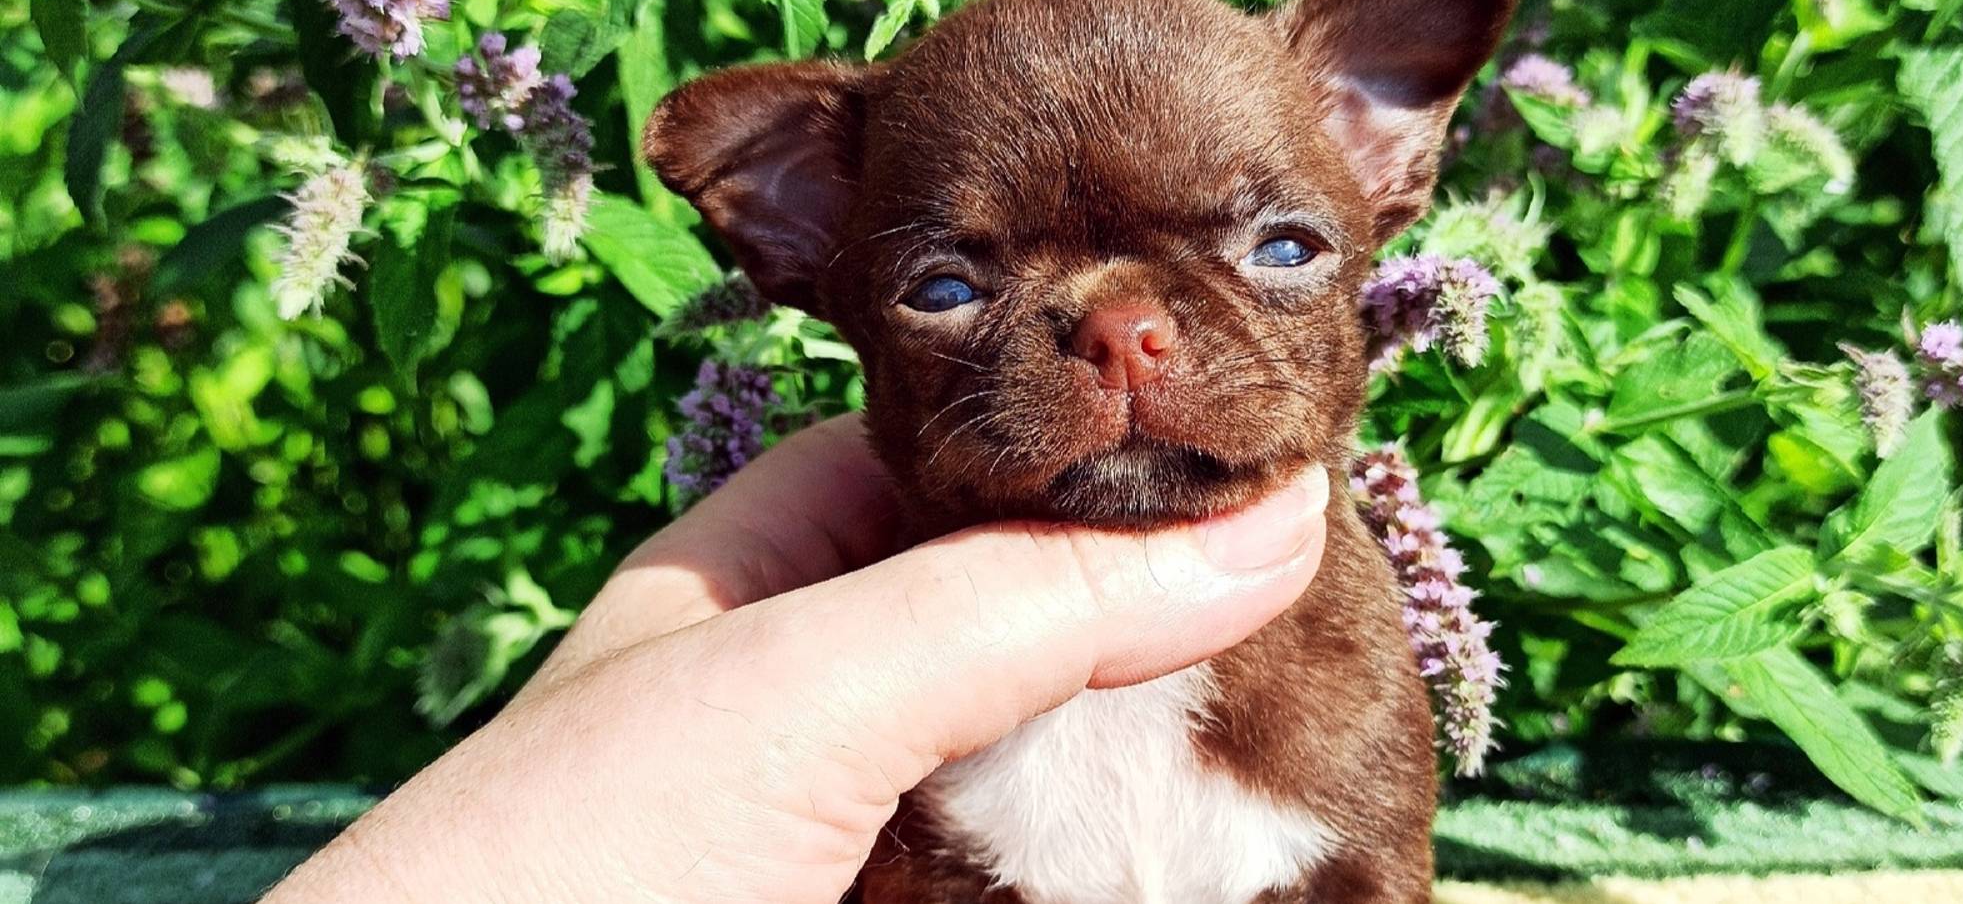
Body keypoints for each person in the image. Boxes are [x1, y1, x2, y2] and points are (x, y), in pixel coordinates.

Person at [263, 414, 1329, 903]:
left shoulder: (1346, 690)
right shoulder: (880, 710)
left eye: (1282, 249)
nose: (1126, 338)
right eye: (947, 288)